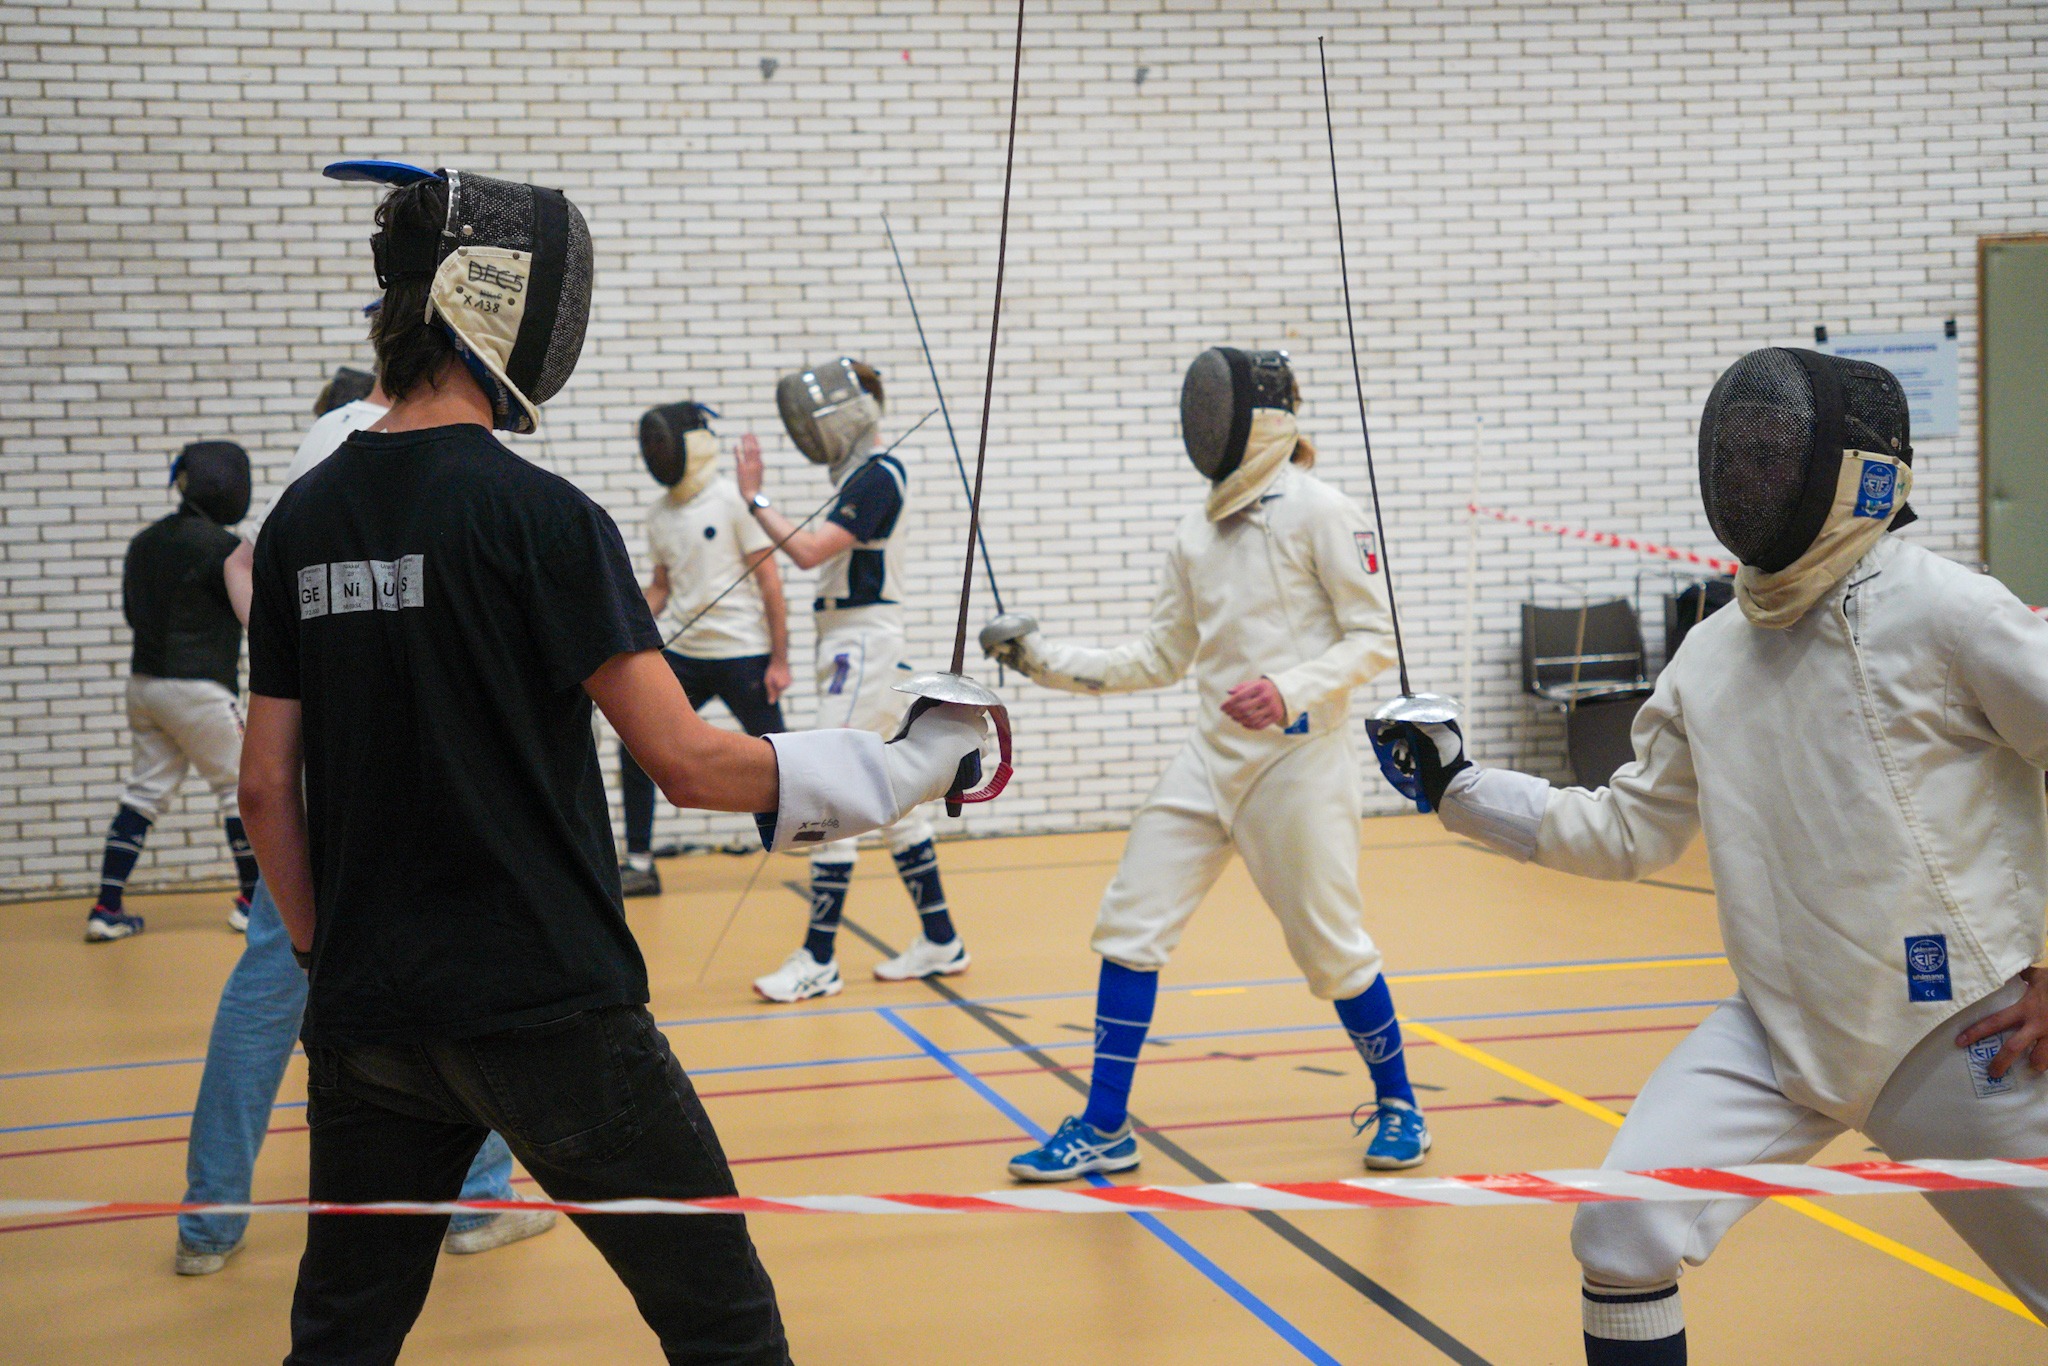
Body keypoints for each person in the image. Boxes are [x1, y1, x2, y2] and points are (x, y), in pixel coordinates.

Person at [244, 160, 985, 1363]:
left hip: (368, 1012)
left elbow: (265, 786)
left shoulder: (302, 521)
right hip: (544, 1004)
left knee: (340, 1335)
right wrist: (907, 770)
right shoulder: (538, 517)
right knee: (722, 1321)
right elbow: (686, 760)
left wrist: (331, 953)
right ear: (505, 308)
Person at [1379, 347, 2048, 1364]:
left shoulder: (1947, 610)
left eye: (1769, 451)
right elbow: (1624, 830)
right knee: (1621, 1228)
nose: (1743, 474)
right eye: (1734, 452)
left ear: (1854, 471)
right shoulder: (1713, 650)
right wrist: (1458, 786)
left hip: (1956, 1030)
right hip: (1780, 1034)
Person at [983, 347, 1431, 1178]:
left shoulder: (1323, 510)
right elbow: (1161, 656)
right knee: (1130, 924)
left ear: (1254, 418)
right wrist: (1039, 657)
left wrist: (1289, 688)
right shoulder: (1198, 529)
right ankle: (1105, 1126)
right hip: (1210, 759)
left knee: (1332, 949)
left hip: (1298, 764)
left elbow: (1377, 639)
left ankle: (1401, 1101)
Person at [175, 357, 548, 1278]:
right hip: (374, 776)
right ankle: (477, 1201)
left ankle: (209, 1223)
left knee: (275, 987)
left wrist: (301, 671)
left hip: (326, 764)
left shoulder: (328, 448)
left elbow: (243, 565)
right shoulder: (390, 445)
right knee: (447, 967)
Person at [734, 357, 970, 1001]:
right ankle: (941, 937)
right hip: (848, 637)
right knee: (888, 788)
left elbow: (810, 552)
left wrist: (755, 498)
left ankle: (819, 958)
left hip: (862, 639)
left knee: (837, 785)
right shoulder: (861, 477)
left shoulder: (878, 476)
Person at [87, 441, 259, 941]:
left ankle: (106, 907)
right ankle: (251, 902)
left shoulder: (143, 541)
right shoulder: (222, 548)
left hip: (143, 686)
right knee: (237, 788)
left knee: (144, 791)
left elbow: (131, 614)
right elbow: (253, 614)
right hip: (198, 688)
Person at [618, 400, 790, 897]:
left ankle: (816, 834)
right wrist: (621, 623)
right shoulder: (659, 515)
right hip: (685, 656)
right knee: (637, 749)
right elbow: (661, 588)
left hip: (743, 654)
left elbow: (770, 582)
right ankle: (640, 863)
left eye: (662, 443)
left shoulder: (733, 501)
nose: (656, 452)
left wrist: (780, 660)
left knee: (783, 756)